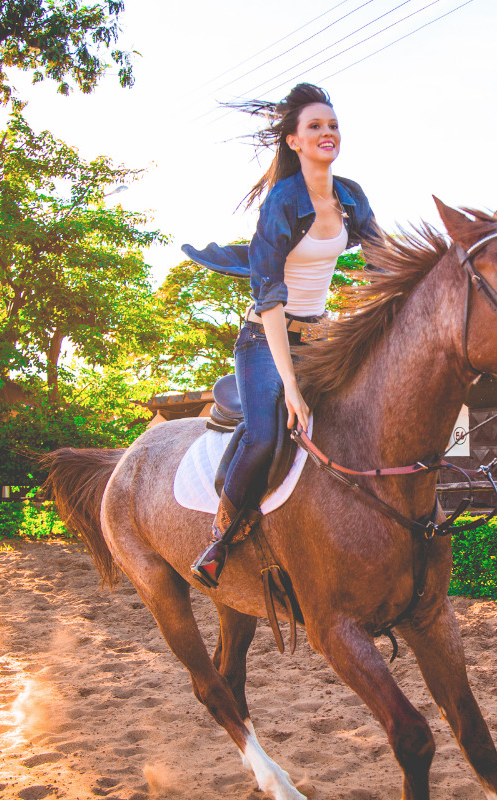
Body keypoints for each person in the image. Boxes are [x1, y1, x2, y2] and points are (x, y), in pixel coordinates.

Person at [181, 83, 379, 588]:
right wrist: (290, 384)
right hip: (265, 338)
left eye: (332, 125)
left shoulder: (351, 195)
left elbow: (383, 262)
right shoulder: (282, 203)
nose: (327, 133)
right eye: (315, 126)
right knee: (268, 432)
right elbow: (269, 297)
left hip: (318, 335)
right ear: (293, 141)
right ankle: (221, 536)